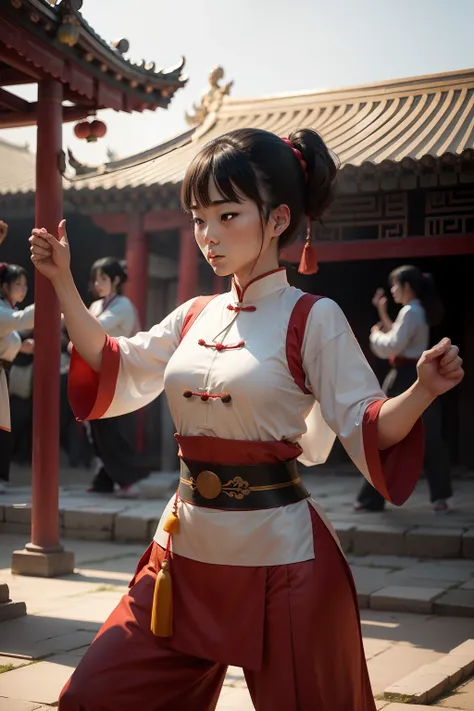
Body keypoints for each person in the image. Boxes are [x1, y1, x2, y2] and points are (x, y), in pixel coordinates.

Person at [29, 128, 464, 711]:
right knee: (95, 697)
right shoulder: (192, 315)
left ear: (280, 218)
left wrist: (423, 390)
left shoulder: (313, 317)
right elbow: (116, 363)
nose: (208, 235)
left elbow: (368, 421)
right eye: (198, 218)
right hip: (182, 554)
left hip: (282, 559)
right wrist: (62, 281)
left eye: (227, 214)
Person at [355, 265, 454, 514]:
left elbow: (393, 345)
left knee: (383, 435)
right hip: (415, 376)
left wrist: (375, 335)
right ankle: (440, 497)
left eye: (396, 285)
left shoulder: (411, 311)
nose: (393, 289)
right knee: (429, 436)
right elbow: (399, 336)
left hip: (405, 378)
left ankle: (371, 499)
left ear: (407, 287)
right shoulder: (414, 311)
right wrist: (382, 311)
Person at [84, 257, 144, 496]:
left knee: (111, 428)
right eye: (96, 279)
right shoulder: (96, 305)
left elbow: (95, 328)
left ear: (116, 280)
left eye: (103, 279)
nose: (97, 284)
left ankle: (127, 478)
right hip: (96, 372)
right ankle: (105, 479)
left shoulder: (123, 306)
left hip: (118, 371)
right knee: (96, 428)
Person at [0, 263, 34, 492]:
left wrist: (21, 345)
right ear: (4, 287)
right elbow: (21, 320)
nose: (22, 290)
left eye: (25, 285)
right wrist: (50, 296)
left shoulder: (8, 310)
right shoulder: (4, 310)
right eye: (17, 284)